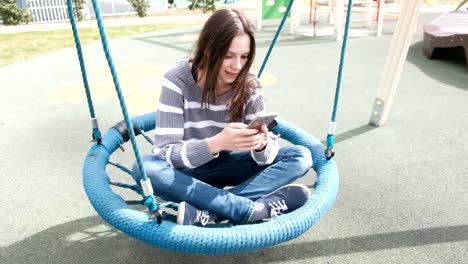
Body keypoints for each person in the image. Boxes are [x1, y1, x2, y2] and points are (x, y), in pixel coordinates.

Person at [132, 9, 313, 226]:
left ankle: (213, 212)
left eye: (244, 56)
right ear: (208, 49)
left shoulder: (249, 84)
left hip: (228, 167)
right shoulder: (177, 80)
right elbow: (165, 154)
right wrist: (215, 144)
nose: (237, 66)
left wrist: (261, 146)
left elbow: (268, 156)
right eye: (228, 55)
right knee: (145, 167)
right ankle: (252, 209)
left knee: (300, 156)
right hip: (187, 176)